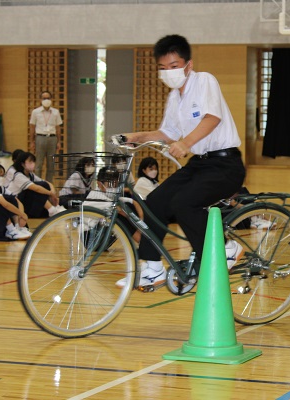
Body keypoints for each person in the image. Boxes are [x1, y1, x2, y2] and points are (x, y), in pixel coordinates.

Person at [114, 34, 246, 289]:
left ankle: (226, 249)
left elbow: (212, 118)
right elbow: (168, 133)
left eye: (174, 66)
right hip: (200, 164)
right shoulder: (175, 97)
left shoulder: (205, 81)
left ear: (188, 64)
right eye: (163, 68)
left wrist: (185, 143)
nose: (168, 72)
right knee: (155, 201)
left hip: (226, 164)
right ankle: (153, 268)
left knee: (184, 203)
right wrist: (136, 136)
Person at [7, 152, 65, 218]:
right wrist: (51, 194)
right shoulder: (18, 175)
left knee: (44, 185)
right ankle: (52, 209)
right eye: (30, 162)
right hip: (15, 201)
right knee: (33, 189)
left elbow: (47, 183)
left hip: (25, 202)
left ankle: (53, 207)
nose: (33, 164)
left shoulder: (30, 174)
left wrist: (53, 192)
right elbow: (35, 188)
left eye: (33, 161)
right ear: (23, 164)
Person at [29, 91, 63, 183]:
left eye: (48, 98)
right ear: (41, 100)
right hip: (40, 138)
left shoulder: (56, 112)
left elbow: (58, 127)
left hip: (52, 138)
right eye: (44, 98)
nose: (46, 100)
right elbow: (32, 127)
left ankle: (48, 184)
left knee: (51, 164)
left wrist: (59, 141)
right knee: (38, 163)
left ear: (51, 99)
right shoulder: (35, 112)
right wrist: (32, 141)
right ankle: (38, 183)